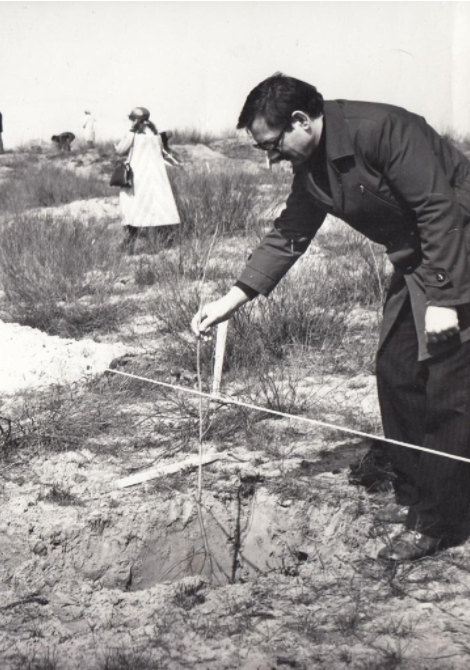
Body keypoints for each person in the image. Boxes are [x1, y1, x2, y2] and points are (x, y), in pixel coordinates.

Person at [191, 73, 470, 563]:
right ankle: (420, 494)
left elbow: (438, 208)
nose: (271, 158)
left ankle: (439, 521)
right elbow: (291, 232)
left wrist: (445, 301)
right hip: (419, 260)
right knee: (396, 370)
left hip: (457, 247)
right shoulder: (313, 167)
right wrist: (234, 298)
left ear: (301, 121)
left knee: (447, 382)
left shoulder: (382, 128)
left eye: (273, 145)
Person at [115, 107, 181, 253]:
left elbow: (120, 150)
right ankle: (153, 247)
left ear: (135, 120)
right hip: (156, 177)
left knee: (130, 206)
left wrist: (119, 141)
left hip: (137, 177)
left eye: (132, 119)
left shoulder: (132, 134)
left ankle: (129, 244)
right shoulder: (155, 135)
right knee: (153, 209)